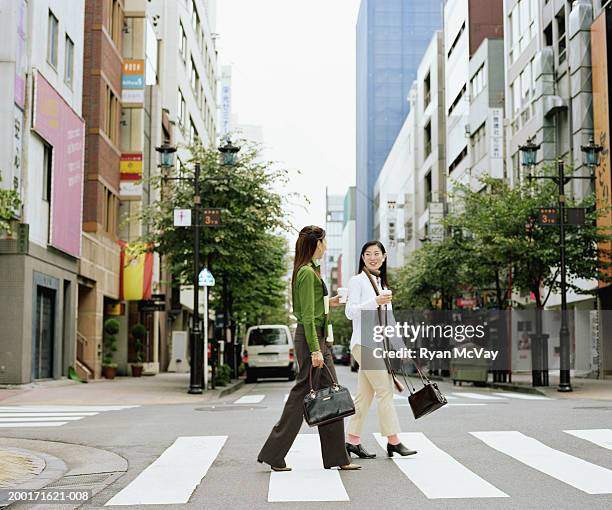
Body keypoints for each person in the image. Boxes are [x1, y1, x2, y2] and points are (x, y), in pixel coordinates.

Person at [257, 226, 361, 471]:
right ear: (316, 244)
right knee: (304, 394)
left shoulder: (310, 271)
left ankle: (335, 457)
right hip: (312, 340)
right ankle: (275, 452)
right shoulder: (306, 273)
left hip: (317, 339)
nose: (325, 247)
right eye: (323, 242)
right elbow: (306, 316)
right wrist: (316, 350)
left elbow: (313, 307)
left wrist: (329, 302)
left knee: (328, 393)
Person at [344, 241, 417, 459]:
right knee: (385, 390)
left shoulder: (384, 287)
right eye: (368, 254)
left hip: (377, 345)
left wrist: (401, 348)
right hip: (363, 343)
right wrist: (374, 301)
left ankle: (352, 441)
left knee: (364, 396)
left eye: (377, 253)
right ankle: (394, 441)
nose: (372, 257)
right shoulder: (357, 281)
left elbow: (390, 322)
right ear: (363, 258)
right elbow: (350, 312)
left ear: (384, 257)